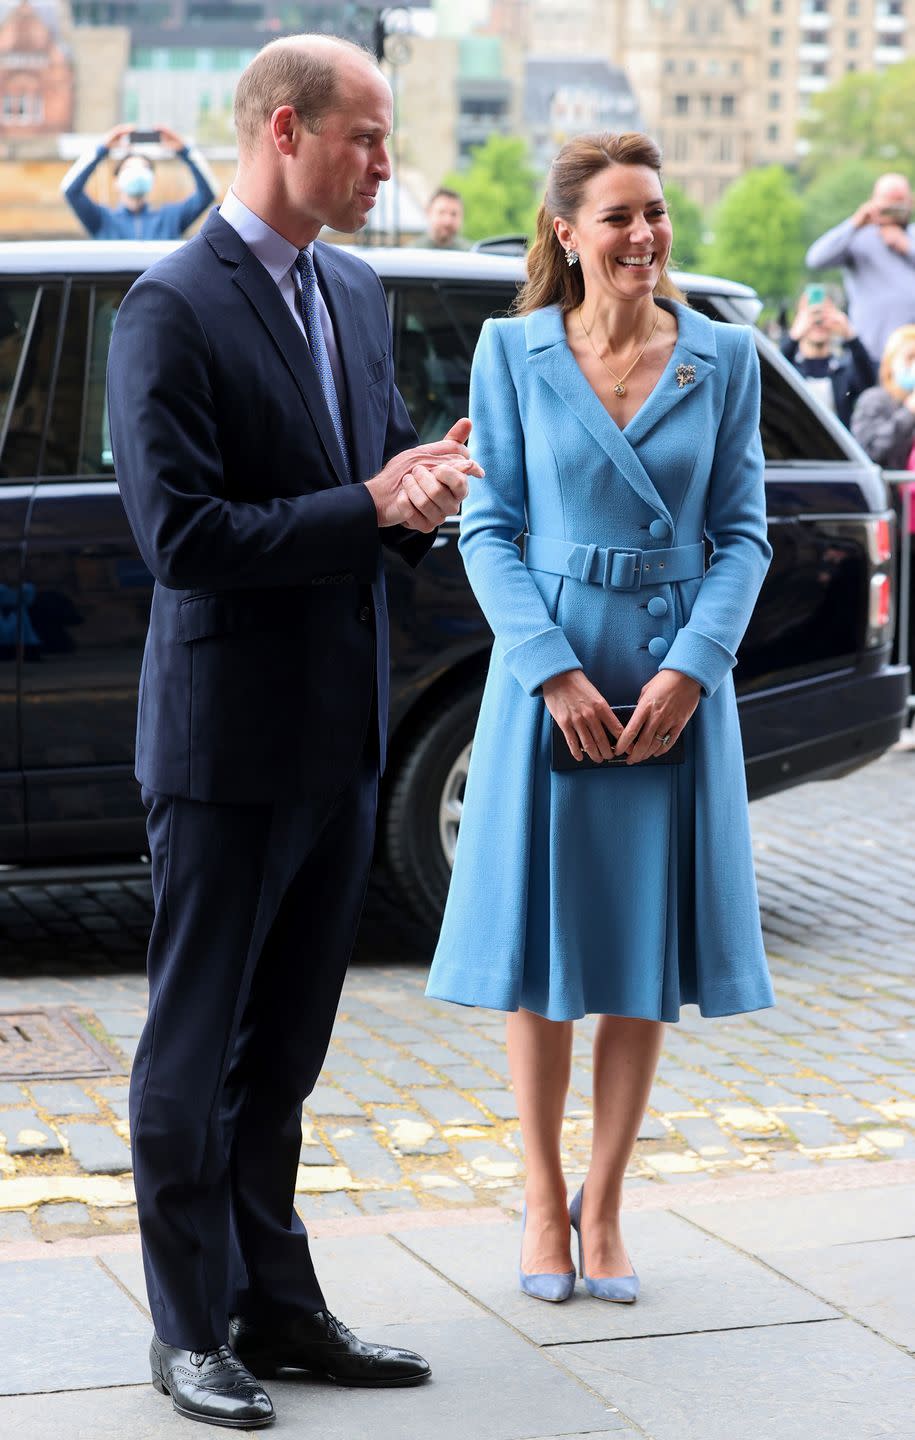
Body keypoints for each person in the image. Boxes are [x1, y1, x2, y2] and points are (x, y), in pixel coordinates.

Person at [106, 34, 477, 1431]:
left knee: (290, 1053)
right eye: (366, 139)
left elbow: (364, 478)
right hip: (223, 746)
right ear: (282, 129)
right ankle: (187, 1327)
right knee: (192, 1050)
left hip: (340, 734)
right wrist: (367, 506)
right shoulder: (169, 305)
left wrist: (421, 486)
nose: (386, 166)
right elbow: (182, 538)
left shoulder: (358, 290)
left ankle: (279, 1302)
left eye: (386, 144)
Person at [425, 132, 774, 1304]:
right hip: (553, 675)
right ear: (565, 232)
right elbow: (488, 525)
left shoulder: (723, 358)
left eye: (657, 214)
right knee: (544, 953)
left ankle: (608, 1204)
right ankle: (539, 1193)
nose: (644, 236)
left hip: (673, 676)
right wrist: (546, 670)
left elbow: (745, 532)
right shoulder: (510, 351)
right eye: (619, 216)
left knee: (636, 952)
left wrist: (693, 668)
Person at [851, 324, 915, 667]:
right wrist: (908, 413)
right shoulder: (877, 400)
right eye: (911, 357)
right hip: (896, 534)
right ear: (892, 364)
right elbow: (870, 451)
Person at [805, 173, 915, 368]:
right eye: (888, 206)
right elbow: (815, 259)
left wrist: (905, 246)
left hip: (910, 356)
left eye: (899, 206)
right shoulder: (857, 238)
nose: (893, 213)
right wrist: (855, 223)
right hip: (867, 354)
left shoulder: (911, 237)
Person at [60, 122, 218, 239]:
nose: (137, 172)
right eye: (129, 168)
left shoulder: (171, 218)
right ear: (116, 181)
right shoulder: (101, 219)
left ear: (152, 179)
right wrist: (102, 148)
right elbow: (71, 190)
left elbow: (208, 193)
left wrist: (185, 150)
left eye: (144, 168)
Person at [781, 286, 874, 426]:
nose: (818, 321)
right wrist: (794, 336)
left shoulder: (843, 369)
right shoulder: (789, 368)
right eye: (812, 313)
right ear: (799, 318)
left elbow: (869, 383)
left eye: (824, 313)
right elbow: (767, 379)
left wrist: (850, 335)